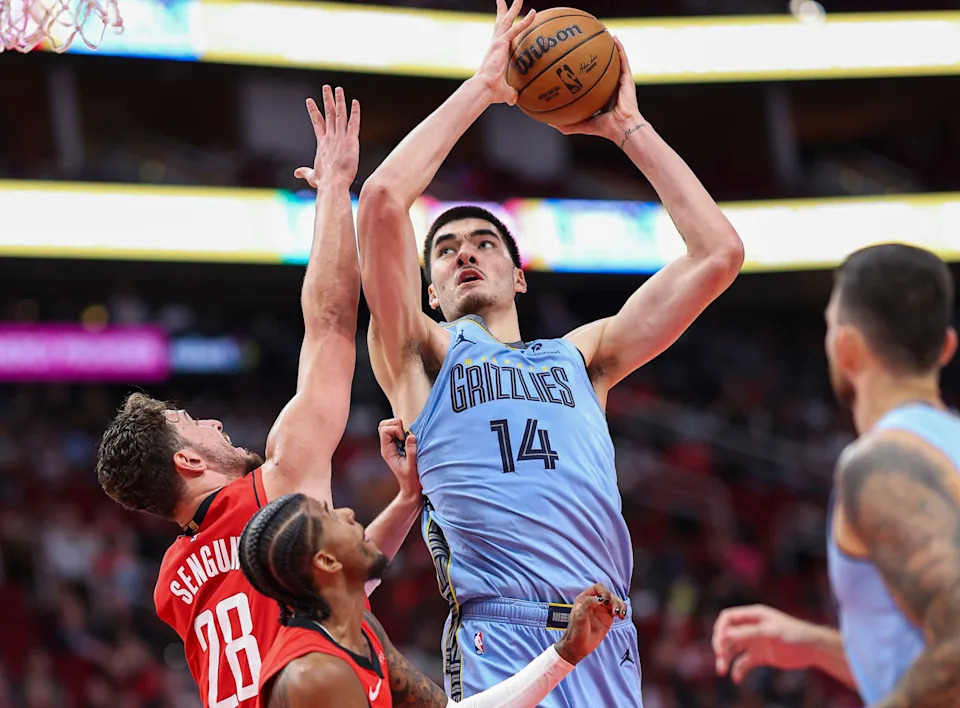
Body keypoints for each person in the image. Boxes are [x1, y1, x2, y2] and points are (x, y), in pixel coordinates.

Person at [355, 1, 744, 704]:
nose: (464, 252)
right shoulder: (423, 354)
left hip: (607, 633)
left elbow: (718, 254)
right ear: (432, 292)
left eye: (484, 244)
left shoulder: (583, 356)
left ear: (518, 274)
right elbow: (382, 199)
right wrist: (484, 86)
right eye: (444, 251)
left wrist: (629, 129)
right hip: (502, 639)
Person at [96, 88, 422, 708]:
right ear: (188, 462)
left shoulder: (171, 586)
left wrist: (407, 501)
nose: (214, 421)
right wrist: (334, 188)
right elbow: (329, 321)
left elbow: (327, 586)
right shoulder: (278, 485)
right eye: (193, 423)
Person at [713, 244, 960, 707]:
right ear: (946, 347)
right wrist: (817, 646)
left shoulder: (885, 462)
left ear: (845, 348)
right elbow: (933, 658)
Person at [238, 491, 628, 708]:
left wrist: (565, 654)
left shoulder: (358, 631)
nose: (347, 511)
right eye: (329, 516)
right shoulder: (316, 675)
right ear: (325, 560)